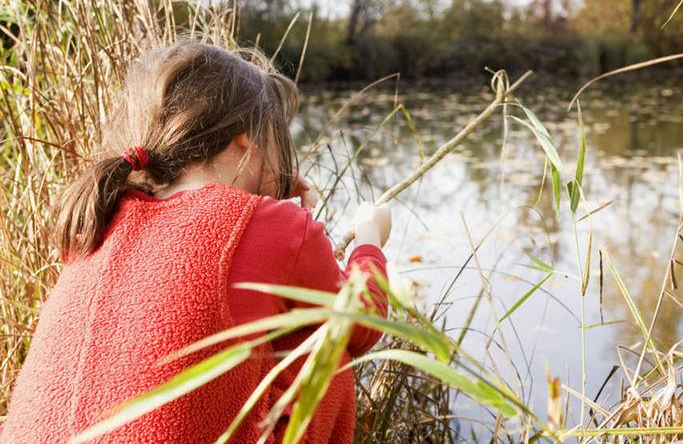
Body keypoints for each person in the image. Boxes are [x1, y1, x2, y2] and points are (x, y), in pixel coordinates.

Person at [0, 39, 392, 444]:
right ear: (247, 138)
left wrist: (269, 190)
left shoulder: (101, 217)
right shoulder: (269, 225)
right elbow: (362, 322)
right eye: (279, 137)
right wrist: (369, 236)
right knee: (325, 348)